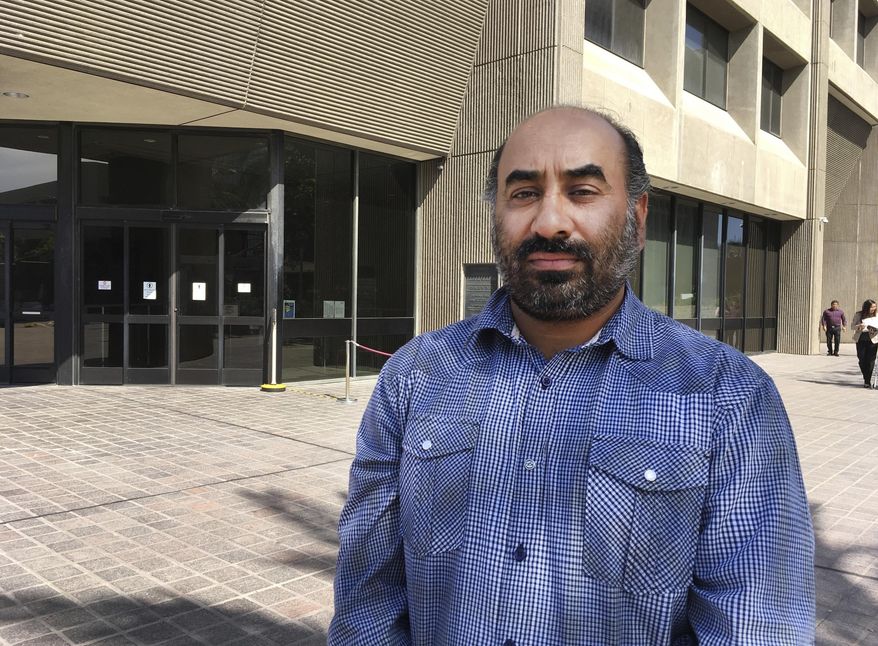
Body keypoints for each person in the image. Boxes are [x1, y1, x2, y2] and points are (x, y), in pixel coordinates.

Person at [330, 106, 815, 645]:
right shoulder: (414, 375)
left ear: (638, 217)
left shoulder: (729, 396)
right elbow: (367, 602)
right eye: (523, 193)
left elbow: (756, 624)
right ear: (495, 215)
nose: (549, 223)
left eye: (582, 191)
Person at [852, 299, 878, 388]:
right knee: (862, 360)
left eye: (875, 307)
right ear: (866, 307)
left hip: (873, 340)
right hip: (861, 340)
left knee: (870, 361)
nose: (874, 309)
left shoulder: (877, 315)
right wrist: (859, 326)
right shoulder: (858, 314)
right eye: (872, 307)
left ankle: (867, 381)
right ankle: (866, 377)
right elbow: (852, 326)